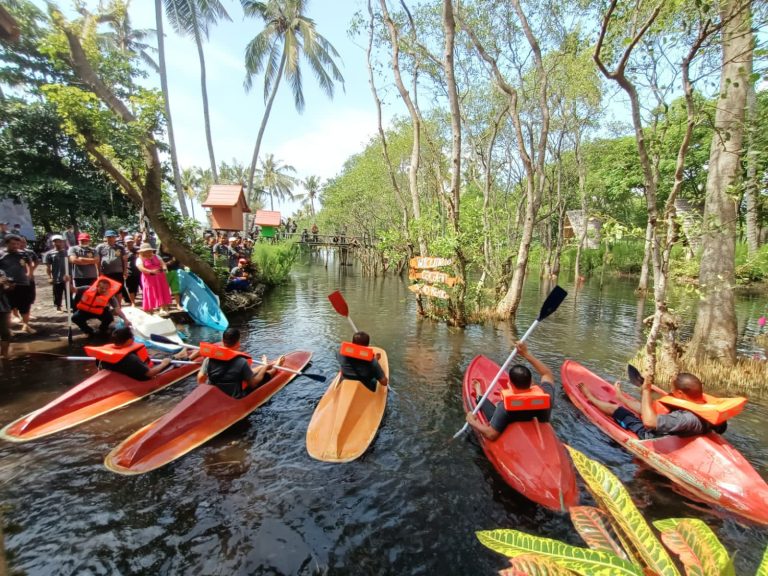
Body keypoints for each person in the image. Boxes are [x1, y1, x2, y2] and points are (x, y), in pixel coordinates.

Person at [578, 371, 730, 439]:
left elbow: (649, 423)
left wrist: (645, 391)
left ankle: (590, 398)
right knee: (648, 407)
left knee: (617, 410)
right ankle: (621, 397)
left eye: (673, 391)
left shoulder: (685, 419)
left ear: (681, 395)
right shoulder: (710, 410)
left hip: (651, 436)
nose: (671, 393)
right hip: (678, 429)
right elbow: (721, 429)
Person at [465, 342, 555, 441]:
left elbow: (491, 435)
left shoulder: (506, 407)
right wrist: (526, 354)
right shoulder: (547, 397)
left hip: (510, 424)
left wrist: (472, 422)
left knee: (492, 413)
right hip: (534, 425)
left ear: (510, 385)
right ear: (531, 383)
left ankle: (479, 395)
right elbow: (547, 373)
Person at [196, 327, 284, 398]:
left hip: (216, 393)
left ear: (222, 341)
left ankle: (263, 366)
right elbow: (253, 384)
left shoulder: (209, 359)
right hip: (233, 396)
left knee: (244, 373)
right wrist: (265, 368)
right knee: (264, 376)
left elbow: (200, 377)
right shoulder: (241, 362)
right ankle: (276, 367)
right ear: (238, 343)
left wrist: (205, 393)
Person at [85, 327, 171, 380]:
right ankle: (179, 356)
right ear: (129, 340)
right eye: (132, 337)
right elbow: (150, 373)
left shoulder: (103, 353)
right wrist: (164, 364)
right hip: (139, 377)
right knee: (166, 359)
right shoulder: (131, 358)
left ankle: (177, 355)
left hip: (121, 372)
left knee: (156, 356)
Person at [0, 234, 35, 334]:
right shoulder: (1, 254)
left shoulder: (23, 254)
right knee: (8, 307)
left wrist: (29, 274)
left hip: (23, 283)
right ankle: (8, 329)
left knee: (25, 305)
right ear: (6, 244)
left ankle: (26, 325)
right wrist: (3, 280)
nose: (15, 246)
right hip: (6, 285)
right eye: (12, 244)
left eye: (17, 244)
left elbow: (29, 263)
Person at [95, 230, 129, 303]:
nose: (111, 238)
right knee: (105, 289)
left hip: (118, 272)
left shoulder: (120, 247)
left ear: (115, 238)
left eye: (112, 237)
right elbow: (97, 260)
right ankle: (107, 306)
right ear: (106, 237)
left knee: (118, 290)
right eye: (109, 237)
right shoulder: (100, 247)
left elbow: (125, 260)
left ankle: (118, 307)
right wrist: (99, 271)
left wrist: (125, 271)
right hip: (106, 272)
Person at [136, 243, 172, 312]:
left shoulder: (157, 256)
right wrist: (151, 271)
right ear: (142, 252)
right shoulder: (139, 259)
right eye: (146, 251)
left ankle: (162, 307)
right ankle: (150, 308)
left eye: (149, 251)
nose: (148, 252)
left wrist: (164, 269)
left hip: (160, 277)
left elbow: (163, 264)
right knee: (151, 291)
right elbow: (141, 268)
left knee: (161, 291)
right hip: (149, 278)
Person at [44, 235, 70, 311]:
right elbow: (48, 267)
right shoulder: (49, 254)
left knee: (69, 292)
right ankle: (58, 307)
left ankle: (69, 307)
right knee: (57, 293)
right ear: (53, 243)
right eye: (55, 241)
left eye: (59, 241)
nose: (57, 243)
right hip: (57, 277)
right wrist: (49, 277)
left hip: (67, 276)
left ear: (63, 242)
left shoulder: (67, 252)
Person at [0, 270, 13, 358]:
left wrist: (10, 285)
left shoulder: (1, 272)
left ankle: (4, 355)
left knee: (5, 333)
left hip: (2, 307)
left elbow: (7, 288)